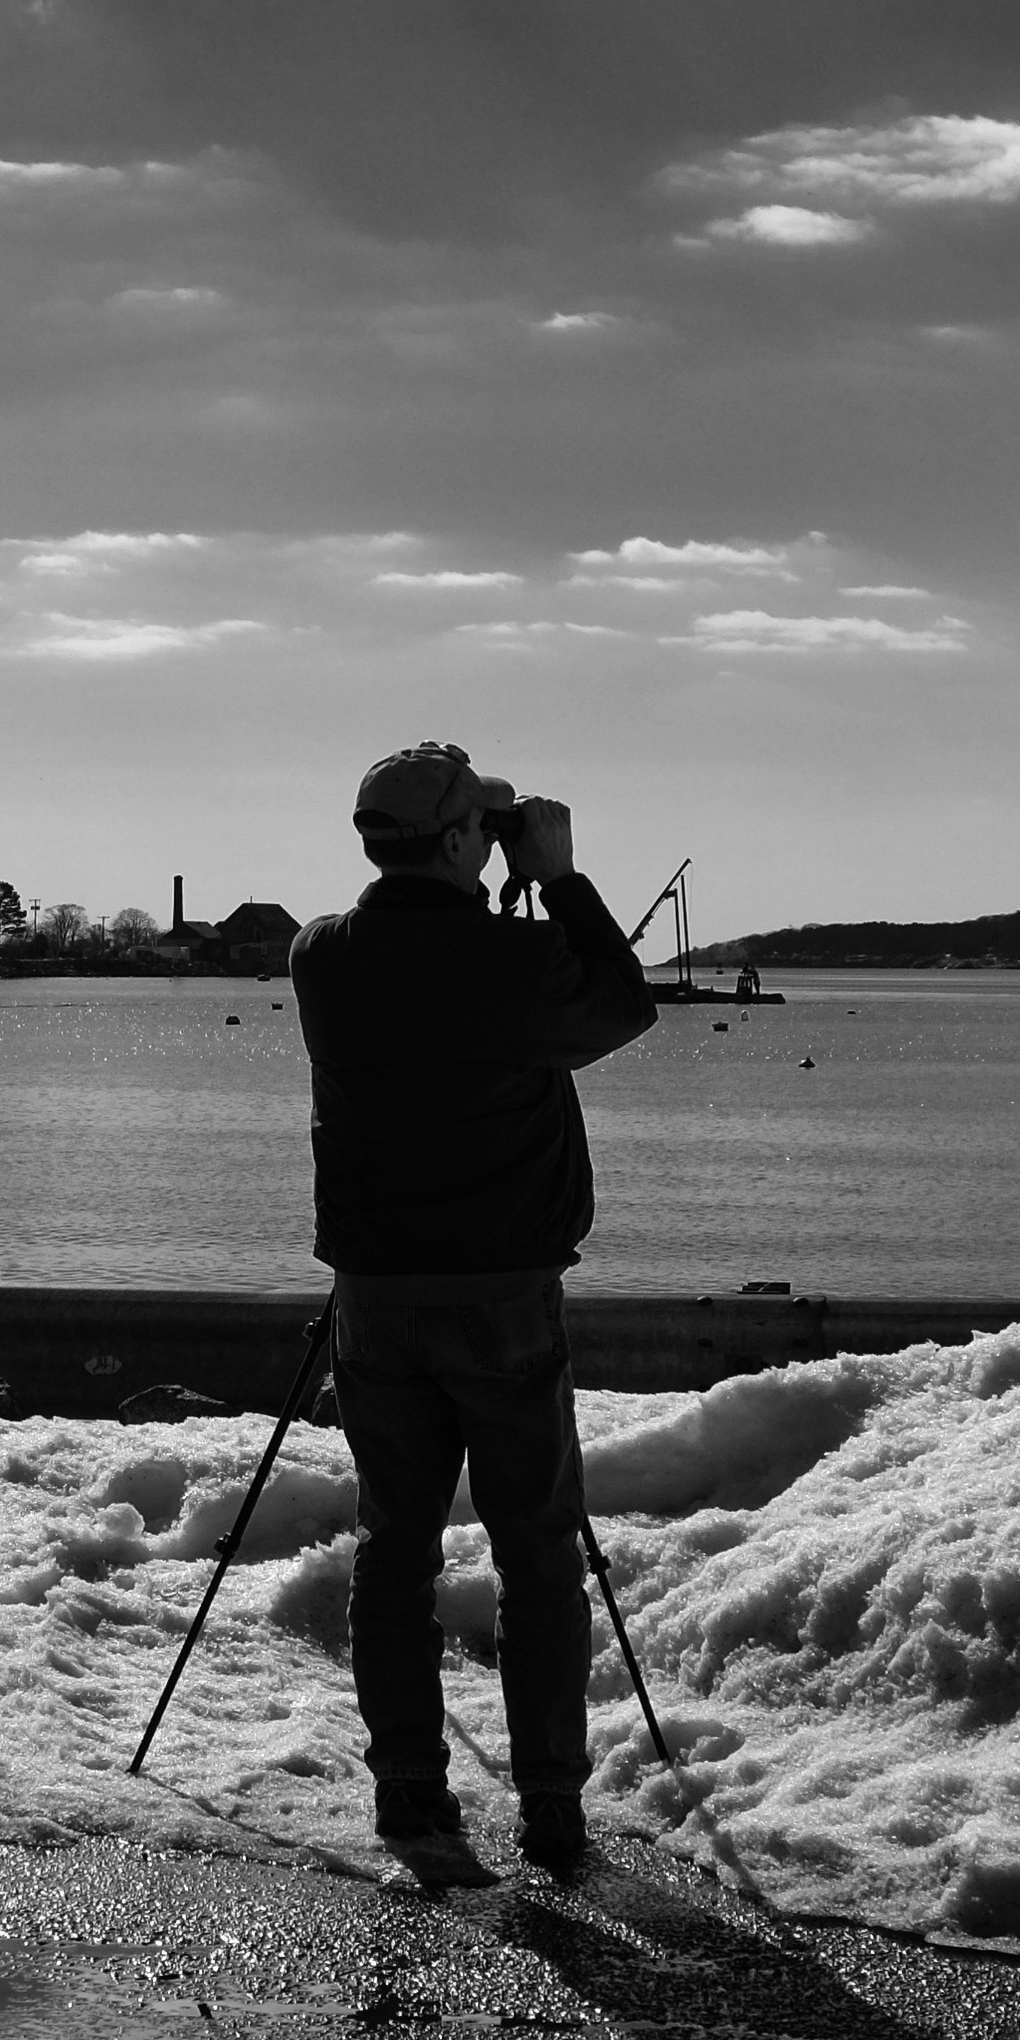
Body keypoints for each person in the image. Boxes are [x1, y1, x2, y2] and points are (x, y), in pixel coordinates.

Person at [286, 741, 658, 1892]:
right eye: (477, 830)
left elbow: (431, 973)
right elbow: (623, 1005)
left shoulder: (320, 955)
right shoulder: (513, 958)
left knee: (395, 1547)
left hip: (374, 1302)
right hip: (500, 1299)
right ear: (458, 840)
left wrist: (499, 878)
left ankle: (409, 1789)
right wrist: (559, 877)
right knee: (535, 1551)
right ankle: (550, 1804)